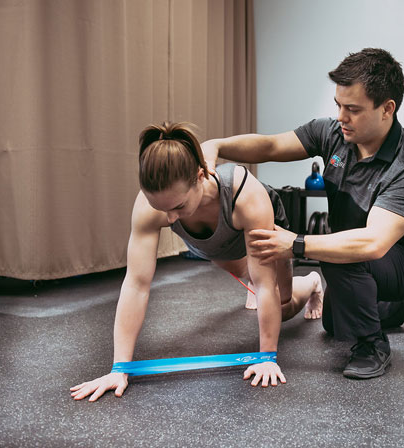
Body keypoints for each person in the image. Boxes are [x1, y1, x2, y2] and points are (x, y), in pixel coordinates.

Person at [202, 48, 404, 380]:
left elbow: (372, 243)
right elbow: (270, 146)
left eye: (353, 109)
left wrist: (295, 243)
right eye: (339, 105)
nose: (341, 117)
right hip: (360, 255)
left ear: (387, 109)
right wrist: (217, 146)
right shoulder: (333, 134)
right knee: (335, 323)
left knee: (342, 262)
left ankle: (373, 346)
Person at [71, 122, 323, 402]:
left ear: (200, 176)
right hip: (214, 245)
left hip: (260, 228)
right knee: (252, 278)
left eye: (178, 206)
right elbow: (136, 284)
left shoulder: (246, 194)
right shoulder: (150, 205)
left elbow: (266, 285)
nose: (169, 219)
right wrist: (119, 369)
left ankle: (312, 282)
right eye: (160, 208)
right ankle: (250, 274)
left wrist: (267, 357)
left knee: (282, 305)